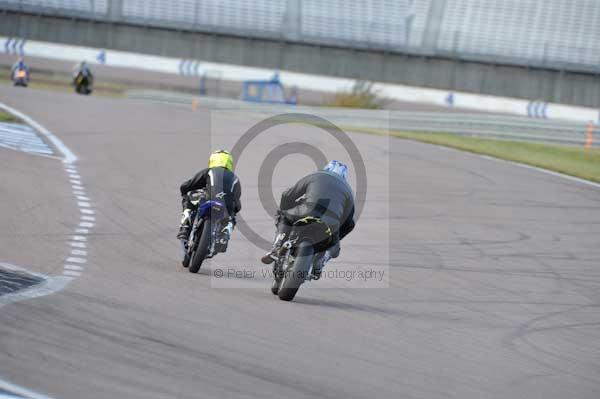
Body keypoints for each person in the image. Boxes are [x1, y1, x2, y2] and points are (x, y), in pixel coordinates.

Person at [261, 160, 355, 279]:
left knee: (284, 216)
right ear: (343, 177)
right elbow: (349, 223)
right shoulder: (348, 191)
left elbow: (287, 195)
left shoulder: (314, 176)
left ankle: (276, 247)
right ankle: (319, 264)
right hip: (330, 224)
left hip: (305, 212)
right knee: (334, 248)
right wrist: (337, 235)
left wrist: (286, 210)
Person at [177, 150, 242, 242]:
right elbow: (238, 204)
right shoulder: (235, 179)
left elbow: (188, 185)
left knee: (189, 195)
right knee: (232, 216)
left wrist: (183, 191)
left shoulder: (210, 171)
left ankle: (185, 226)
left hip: (209, 200)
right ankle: (225, 233)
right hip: (225, 208)